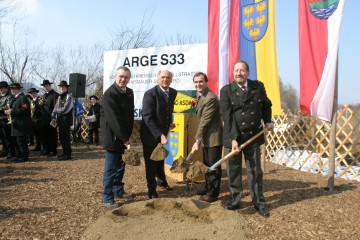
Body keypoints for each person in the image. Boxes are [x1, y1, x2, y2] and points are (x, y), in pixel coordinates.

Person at [220, 60, 273, 217]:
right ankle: (235, 200)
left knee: (255, 171)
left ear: (248, 73)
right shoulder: (226, 91)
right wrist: (234, 138)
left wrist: (267, 120)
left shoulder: (257, 87)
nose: (238, 73)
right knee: (234, 171)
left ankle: (259, 201)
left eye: (242, 70)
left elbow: (266, 105)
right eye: (236, 70)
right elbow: (227, 116)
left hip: (253, 137)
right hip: (233, 136)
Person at [100, 66, 134, 208]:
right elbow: (114, 119)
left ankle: (118, 190)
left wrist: (128, 136)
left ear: (129, 79)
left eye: (126, 77)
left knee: (121, 166)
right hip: (114, 137)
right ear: (115, 77)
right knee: (111, 168)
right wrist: (124, 138)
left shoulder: (130, 92)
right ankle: (107, 198)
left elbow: (129, 116)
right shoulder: (110, 94)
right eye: (120, 76)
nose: (123, 79)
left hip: (124, 137)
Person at [140, 70, 177, 199]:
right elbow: (147, 117)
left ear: (171, 79)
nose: (165, 79)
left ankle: (161, 181)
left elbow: (168, 111)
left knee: (161, 159)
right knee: (151, 164)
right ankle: (151, 190)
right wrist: (160, 134)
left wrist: (170, 124)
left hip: (164, 134)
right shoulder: (150, 94)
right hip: (150, 134)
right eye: (162, 77)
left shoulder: (173, 92)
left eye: (168, 77)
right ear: (158, 78)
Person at [191, 72, 223, 203]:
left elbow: (204, 121)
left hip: (213, 137)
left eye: (201, 81)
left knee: (213, 165)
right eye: (196, 82)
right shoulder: (201, 96)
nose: (198, 84)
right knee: (206, 163)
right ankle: (208, 186)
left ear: (206, 82)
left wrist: (197, 140)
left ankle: (213, 193)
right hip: (206, 136)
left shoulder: (210, 98)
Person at [5, 83, 33, 163]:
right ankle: (18, 155)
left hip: (21, 123)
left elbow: (25, 110)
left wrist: (12, 111)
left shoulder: (23, 98)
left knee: (21, 141)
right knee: (16, 141)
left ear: (19, 89)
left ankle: (24, 156)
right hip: (16, 123)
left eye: (14, 88)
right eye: (11, 88)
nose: (12, 90)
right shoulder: (15, 98)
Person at [51, 80, 73, 160]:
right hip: (60, 120)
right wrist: (53, 115)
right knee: (61, 138)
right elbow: (55, 107)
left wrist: (56, 111)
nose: (62, 88)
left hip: (66, 121)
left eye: (63, 87)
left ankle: (68, 155)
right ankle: (64, 153)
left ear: (67, 87)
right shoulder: (60, 97)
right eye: (60, 87)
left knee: (65, 138)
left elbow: (66, 109)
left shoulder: (69, 96)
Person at [41, 80, 59, 157]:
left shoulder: (55, 95)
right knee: (45, 135)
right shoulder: (44, 95)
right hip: (44, 118)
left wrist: (54, 118)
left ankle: (53, 150)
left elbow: (56, 107)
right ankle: (46, 150)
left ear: (50, 86)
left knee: (52, 135)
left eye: (47, 86)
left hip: (51, 118)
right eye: (44, 86)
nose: (46, 87)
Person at [0, 81, 15, 159]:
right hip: (0, 119)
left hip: (6, 119)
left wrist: (1, 110)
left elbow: (7, 107)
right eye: (0, 88)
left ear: (6, 88)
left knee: (7, 136)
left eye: (2, 88)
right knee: (2, 136)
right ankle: (5, 150)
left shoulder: (10, 96)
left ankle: (11, 152)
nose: (1, 89)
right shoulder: (1, 96)